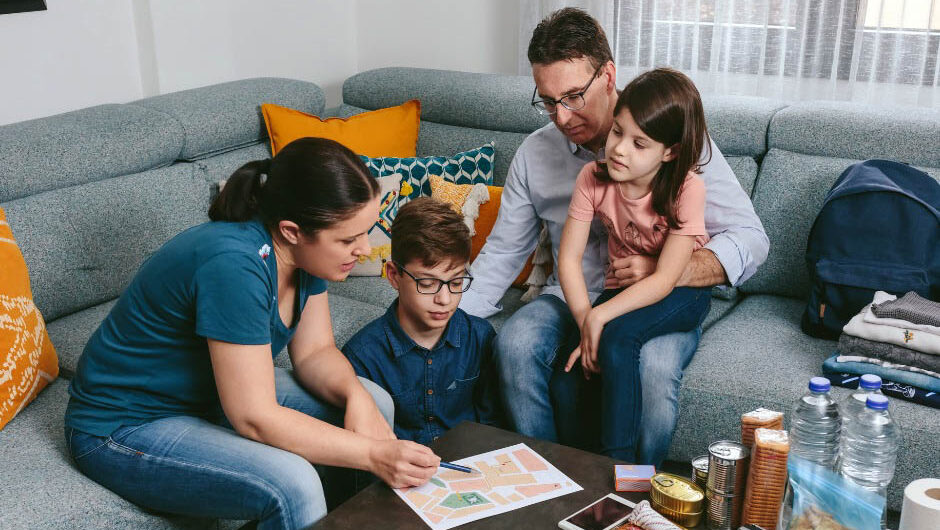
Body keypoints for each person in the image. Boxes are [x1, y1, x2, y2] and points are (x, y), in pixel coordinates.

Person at [63, 137, 441, 529]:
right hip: (123, 426)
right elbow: (254, 416)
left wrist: (355, 395)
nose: (364, 249)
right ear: (292, 231)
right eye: (348, 239)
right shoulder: (234, 264)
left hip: (206, 394)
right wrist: (372, 454)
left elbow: (315, 353)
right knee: (293, 483)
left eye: (367, 231)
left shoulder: (307, 259)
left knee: (373, 401)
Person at [458, 8, 769, 466]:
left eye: (573, 97)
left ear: (608, 75)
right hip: (572, 295)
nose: (561, 117)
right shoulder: (537, 155)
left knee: (654, 370)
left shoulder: (672, 139)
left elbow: (751, 238)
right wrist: (441, 317)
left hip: (654, 295)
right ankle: (552, 483)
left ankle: (635, 495)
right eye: (547, 101)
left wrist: (668, 269)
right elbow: (503, 253)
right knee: (516, 344)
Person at [554, 68, 713, 462]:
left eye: (639, 143)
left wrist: (601, 318)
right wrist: (585, 318)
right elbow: (569, 259)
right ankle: (582, 468)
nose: (620, 149)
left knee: (619, 339)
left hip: (681, 292)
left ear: (670, 151)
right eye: (617, 132)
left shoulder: (686, 188)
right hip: (622, 289)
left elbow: (663, 281)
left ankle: (620, 470)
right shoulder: (593, 177)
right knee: (570, 370)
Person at [342, 198, 501, 445]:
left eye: (457, 282)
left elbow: (492, 426)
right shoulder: (362, 356)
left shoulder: (480, 338)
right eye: (427, 284)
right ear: (394, 276)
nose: (445, 299)